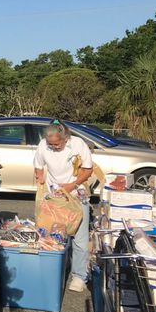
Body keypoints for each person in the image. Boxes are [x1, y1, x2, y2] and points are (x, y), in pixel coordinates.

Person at [33, 119, 94, 293]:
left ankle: (79, 275)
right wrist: (40, 179)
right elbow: (38, 165)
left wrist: (72, 185)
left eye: (57, 144)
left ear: (66, 138)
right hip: (54, 196)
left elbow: (87, 170)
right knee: (52, 235)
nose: (53, 147)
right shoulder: (43, 145)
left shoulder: (78, 144)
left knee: (79, 237)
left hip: (76, 194)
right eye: (50, 145)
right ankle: (52, 268)